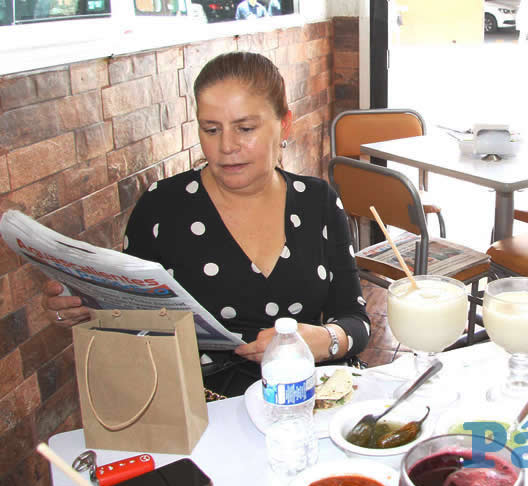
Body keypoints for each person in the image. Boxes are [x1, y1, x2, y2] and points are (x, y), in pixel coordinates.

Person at [41, 52, 371, 397]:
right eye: (210, 129)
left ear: (284, 124)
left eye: (245, 128)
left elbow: (356, 321)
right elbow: (131, 323)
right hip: (201, 410)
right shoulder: (163, 207)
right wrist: (81, 311)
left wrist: (326, 340)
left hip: (307, 399)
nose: (226, 146)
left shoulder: (318, 201)